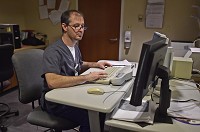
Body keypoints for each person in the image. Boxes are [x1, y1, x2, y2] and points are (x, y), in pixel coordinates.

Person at [40, 10, 112, 132]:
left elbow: (77, 64)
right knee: (91, 117)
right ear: (64, 26)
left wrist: (95, 64)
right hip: (55, 102)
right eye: (76, 26)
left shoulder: (74, 46)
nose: (81, 29)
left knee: (101, 109)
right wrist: (86, 77)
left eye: (83, 26)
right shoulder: (53, 51)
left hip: (70, 93)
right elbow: (52, 82)